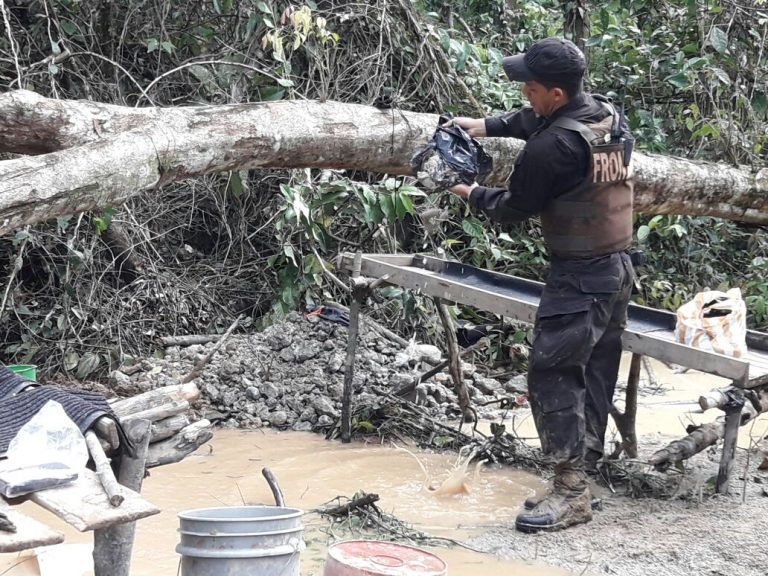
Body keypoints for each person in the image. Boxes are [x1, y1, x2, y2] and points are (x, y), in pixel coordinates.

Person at [448, 37, 635, 533]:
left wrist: (468, 191)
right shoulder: (602, 116)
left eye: (530, 89)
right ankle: (586, 474)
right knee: (594, 371)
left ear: (553, 92)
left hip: (579, 277)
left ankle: (571, 492)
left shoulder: (552, 146)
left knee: (552, 376)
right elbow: (535, 119)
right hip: (616, 270)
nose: (525, 95)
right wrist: (483, 126)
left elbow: (514, 207)